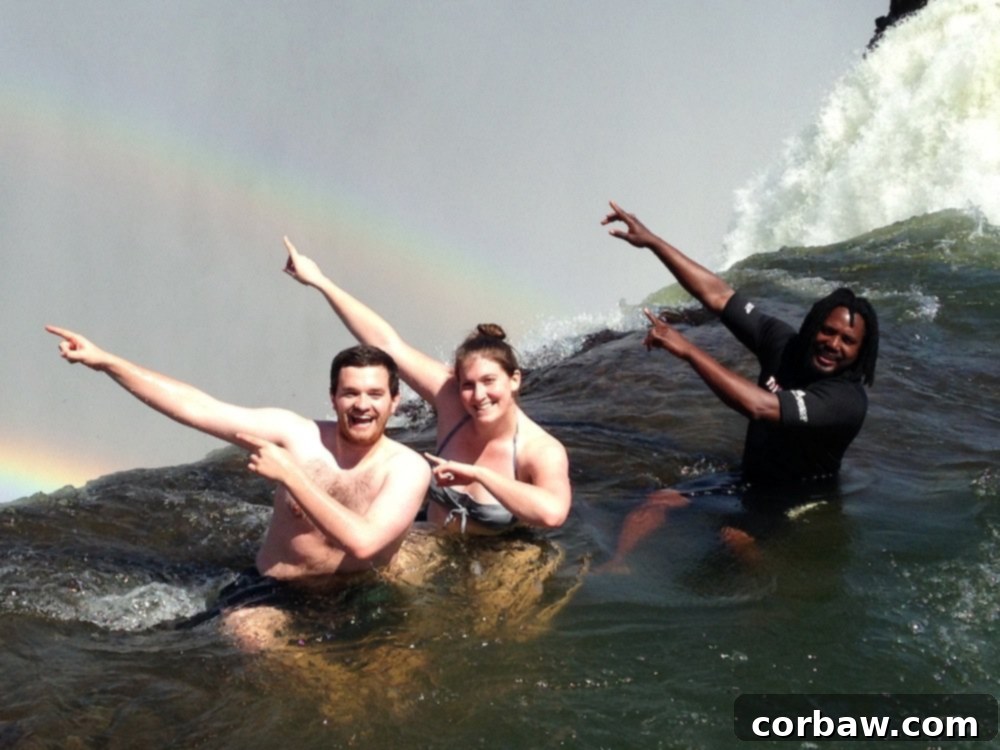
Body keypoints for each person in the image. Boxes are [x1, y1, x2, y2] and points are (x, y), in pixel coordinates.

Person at [45, 326, 432, 649]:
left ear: (395, 401)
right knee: (247, 636)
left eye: (375, 394)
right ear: (333, 398)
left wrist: (289, 476)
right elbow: (199, 408)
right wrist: (108, 362)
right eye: (350, 393)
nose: (362, 404)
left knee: (398, 669)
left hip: (360, 588)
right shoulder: (296, 434)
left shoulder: (407, 468)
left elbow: (364, 543)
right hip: (278, 588)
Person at [600, 201, 879, 563]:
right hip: (751, 478)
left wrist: (688, 350)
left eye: (847, 341)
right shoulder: (785, 345)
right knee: (657, 501)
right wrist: (653, 241)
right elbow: (718, 295)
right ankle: (615, 569)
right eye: (828, 332)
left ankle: (769, 607)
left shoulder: (846, 400)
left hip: (801, 497)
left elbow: (761, 406)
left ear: (860, 352)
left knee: (734, 539)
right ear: (814, 327)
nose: (833, 345)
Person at [280, 237, 572, 535]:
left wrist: (479, 475)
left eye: (489, 381)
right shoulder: (451, 398)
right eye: (468, 385)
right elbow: (385, 343)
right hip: (430, 543)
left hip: (500, 558)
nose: (478, 396)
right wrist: (320, 281)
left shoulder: (540, 450)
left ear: (514, 379)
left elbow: (553, 514)